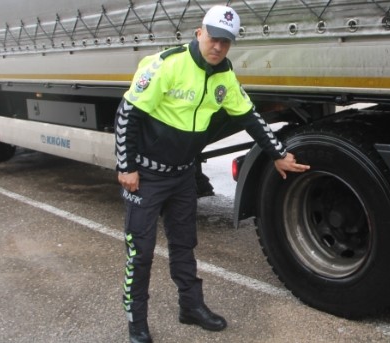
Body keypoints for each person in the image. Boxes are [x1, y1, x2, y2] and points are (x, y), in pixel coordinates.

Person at [115, 5, 310, 343]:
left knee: (184, 244)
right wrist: (126, 166)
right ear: (199, 33)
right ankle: (137, 322)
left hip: (182, 177)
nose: (218, 47)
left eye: (226, 42)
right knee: (141, 252)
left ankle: (191, 307)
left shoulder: (224, 77)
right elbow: (127, 114)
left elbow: (250, 117)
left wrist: (278, 154)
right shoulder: (168, 65)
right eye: (214, 38)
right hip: (146, 177)